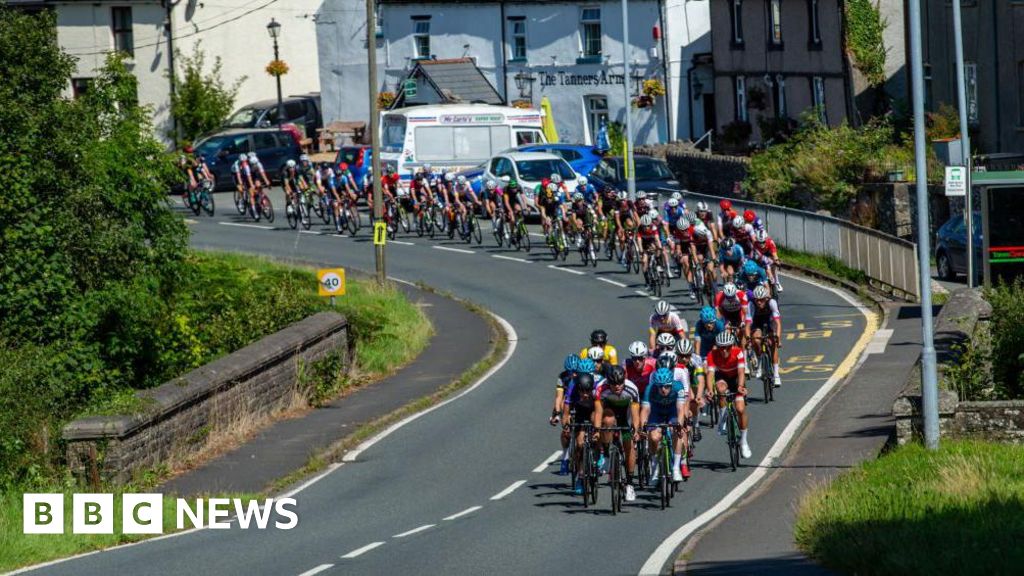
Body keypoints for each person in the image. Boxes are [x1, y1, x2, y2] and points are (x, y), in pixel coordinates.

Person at [593, 365, 641, 502]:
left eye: (620, 383)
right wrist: (597, 431)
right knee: (607, 421)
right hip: (610, 412)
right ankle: (607, 455)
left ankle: (630, 484)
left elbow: (635, 414)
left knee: (629, 446)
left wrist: (636, 431)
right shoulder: (601, 388)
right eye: (614, 384)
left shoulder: (631, 389)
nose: (617, 386)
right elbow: (598, 412)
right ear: (608, 381)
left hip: (626, 415)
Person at [706, 331, 752, 459]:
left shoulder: (738, 352)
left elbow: (741, 372)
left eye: (727, 347)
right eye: (721, 347)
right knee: (720, 389)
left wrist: (741, 387)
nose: (725, 350)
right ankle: (723, 417)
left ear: (732, 346)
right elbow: (710, 375)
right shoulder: (712, 354)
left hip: (736, 379)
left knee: (740, 409)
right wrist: (710, 390)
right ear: (717, 347)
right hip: (722, 377)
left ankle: (743, 442)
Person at [640, 367, 690, 482]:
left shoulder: (678, 387)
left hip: (672, 413)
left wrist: (679, 425)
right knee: (653, 437)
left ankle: (676, 468)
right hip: (656, 414)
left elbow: (680, 410)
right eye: (660, 386)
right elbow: (645, 410)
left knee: (676, 433)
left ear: (671, 384)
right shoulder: (650, 389)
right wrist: (643, 427)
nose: (663, 389)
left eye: (667, 386)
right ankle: (655, 468)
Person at [562, 371, 598, 494]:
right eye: (582, 391)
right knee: (580, 444)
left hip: (593, 410)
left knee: (596, 427)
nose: (585, 394)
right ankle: (581, 476)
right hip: (580, 412)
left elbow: (600, 410)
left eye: (587, 391)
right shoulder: (572, 387)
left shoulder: (596, 388)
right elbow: (566, 410)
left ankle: (599, 456)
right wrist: (566, 425)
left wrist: (597, 429)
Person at [552, 354, 581, 475]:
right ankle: (565, 456)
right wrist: (557, 414)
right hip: (568, 402)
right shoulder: (562, 377)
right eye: (570, 372)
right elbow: (559, 397)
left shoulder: (583, 376)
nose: (573, 375)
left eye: (575, 372)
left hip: (580, 401)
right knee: (566, 432)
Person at [749, 285, 783, 388]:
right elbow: (747, 324)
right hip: (757, 323)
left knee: (773, 343)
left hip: (769, 323)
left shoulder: (772, 303)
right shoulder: (751, 304)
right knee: (756, 340)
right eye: (757, 300)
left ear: (766, 298)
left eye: (762, 300)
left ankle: (776, 375)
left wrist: (778, 338)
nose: (759, 302)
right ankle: (760, 361)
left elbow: (778, 323)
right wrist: (748, 339)